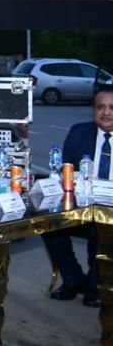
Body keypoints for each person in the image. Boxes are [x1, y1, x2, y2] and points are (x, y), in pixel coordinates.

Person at [42, 86, 113, 307]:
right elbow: (66, 174)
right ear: (93, 110)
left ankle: (96, 286)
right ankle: (73, 279)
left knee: (100, 233)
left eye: (112, 108)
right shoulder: (79, 132)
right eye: (100, 107)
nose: (106, 113)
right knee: (46, 225)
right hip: (81, 206)